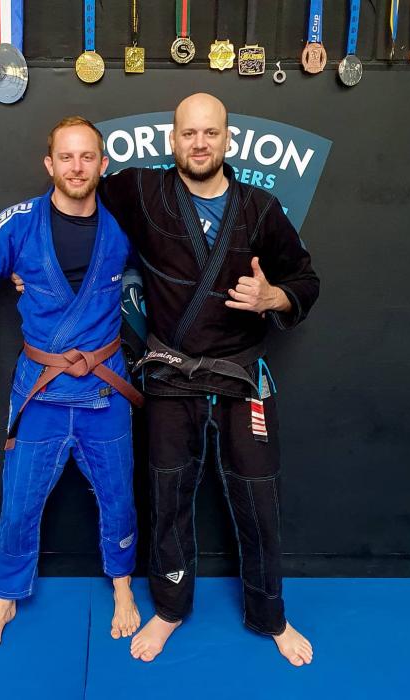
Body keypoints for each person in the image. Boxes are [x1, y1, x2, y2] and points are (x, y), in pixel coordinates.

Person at [17, 94, 319, 666]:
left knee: (259, 497)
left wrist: (274, 296)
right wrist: (31, 266)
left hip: (240, 373)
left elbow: (306, 279)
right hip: (171, 371)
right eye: (189, 133)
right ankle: (170, 608)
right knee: (167, 495)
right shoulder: (141, 191)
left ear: (227, 139)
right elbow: (72, 199)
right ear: (173, 139)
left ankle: (270, 616)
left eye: (210, 133)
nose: (199, 143)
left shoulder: (260, 209)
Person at [0, 117, 144, 661]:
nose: (77, 168)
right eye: (66, 157)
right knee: (18, 503)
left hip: (105, 389)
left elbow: (165, 273)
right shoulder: (18, 224)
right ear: (49, 164)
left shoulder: (123, 225)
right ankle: (6, 596)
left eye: (87, 157)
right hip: (41, 391)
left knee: (120, 497)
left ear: (102, 164)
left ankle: (122, 584)